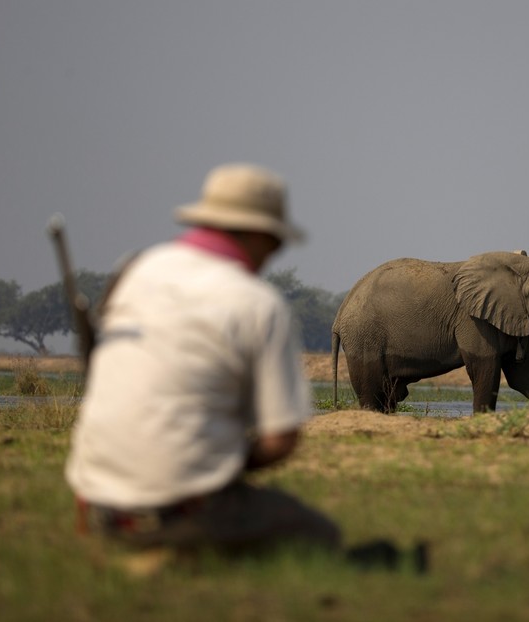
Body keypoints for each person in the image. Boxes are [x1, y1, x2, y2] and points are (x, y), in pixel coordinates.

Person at [65, 162, 341, 556]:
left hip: (99, 505)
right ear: (257, 233)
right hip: (184, 508)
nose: (275, 253)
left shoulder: (134, 271)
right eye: (275, 241)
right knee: (319, 534)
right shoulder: (259, 304)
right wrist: (220, 460)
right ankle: (179, 552)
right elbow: (281, 439)